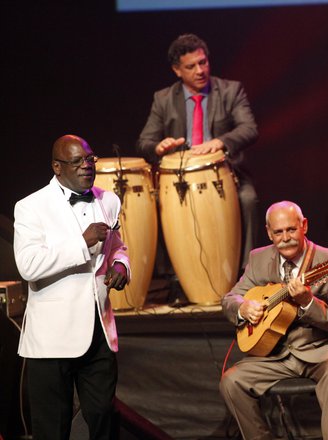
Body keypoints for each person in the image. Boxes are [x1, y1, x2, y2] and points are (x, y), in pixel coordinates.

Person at [13, 134, 130, 439]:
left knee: (104, 415)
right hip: (53, 338)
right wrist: (82, 242)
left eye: (90, 159)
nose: (86, 166)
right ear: (57, 167)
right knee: (53, 427)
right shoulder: (31, 207)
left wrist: (121, 265)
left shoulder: (109, 200)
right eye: (77, 161)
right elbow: (28, 266)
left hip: (98, 331)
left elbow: (118, 246)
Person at [220, 201, 328, 440]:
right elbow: (231, 297)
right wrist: (244, 308)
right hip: (275, 354)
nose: (285, 238)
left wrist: (308, 302)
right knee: (231, 381)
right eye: (278, 232)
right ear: (268, 232)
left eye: (291, 230)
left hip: (322, 348)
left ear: (304, 226)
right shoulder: (258, 258)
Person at [137, 33, 259, 268]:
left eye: (203, 62)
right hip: (178, 179)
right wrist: (158, 146)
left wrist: (221, 141)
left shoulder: (230, 91)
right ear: (177, 70)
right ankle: (174, 274)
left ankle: (248, 271)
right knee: (154, 206)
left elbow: (249, 128)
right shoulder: (163, 99)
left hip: (225, 172)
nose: (200, 70)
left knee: (249, 199)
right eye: (191, 66)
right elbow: (145, 141)